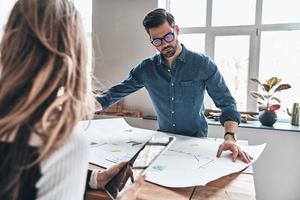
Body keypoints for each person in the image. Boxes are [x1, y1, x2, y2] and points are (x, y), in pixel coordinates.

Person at [0, 0, 143, 200]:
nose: (162, 44)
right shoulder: (62, 145)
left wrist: (95, 178)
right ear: (74, 52)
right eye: (156, 40)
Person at [95, 8, 253, 164]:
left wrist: (230, 138)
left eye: (168, 36)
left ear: (176, 30)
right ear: (151, 40)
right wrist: (84, 105)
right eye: (157, 41)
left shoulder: (202, 64)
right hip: (162, 140)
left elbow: (227, 103)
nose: (164, 44)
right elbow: (115, 93)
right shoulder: (146, 69)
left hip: (196, 141)